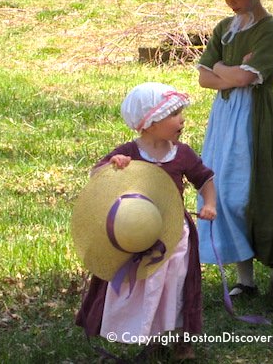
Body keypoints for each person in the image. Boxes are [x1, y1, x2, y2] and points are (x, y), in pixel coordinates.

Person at [192, 0, 273, 300]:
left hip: (255, 118)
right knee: (221, 188)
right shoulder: (224, 29)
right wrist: (231, 72)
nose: (231, 0)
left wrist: (226, 72)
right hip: (225, 119)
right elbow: (204, 78)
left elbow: (245, 78)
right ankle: (245, 276)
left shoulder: (269, 30)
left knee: (255, 188)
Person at [74, 82, 216, 361]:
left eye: (181, 113)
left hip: (174, 236)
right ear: (148, 122)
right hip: (137, 236)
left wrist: (210, 203)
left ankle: (181, 338)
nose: (182, 119)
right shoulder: (130, 153)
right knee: (145, 287)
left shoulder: (182, 153)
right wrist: (112, 165)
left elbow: (205, 179)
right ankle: (150, 334)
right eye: (173, 114)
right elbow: (96, 177)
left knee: (174, 285)